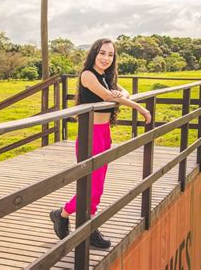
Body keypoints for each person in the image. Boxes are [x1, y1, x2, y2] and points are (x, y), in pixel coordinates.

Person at [49, 38, 152, 249]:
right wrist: (139, 108)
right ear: (94, 53)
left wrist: (120, 94)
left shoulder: (107, 76)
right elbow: (107, 96)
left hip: (104, 133)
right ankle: (63, 213)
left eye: (110, 55)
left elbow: (123, 92)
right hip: (90, 135)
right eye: (102, 53)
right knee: (92, 188)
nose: (106, 58)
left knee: (98, 187)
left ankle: (88, 225)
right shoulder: (88, 75)